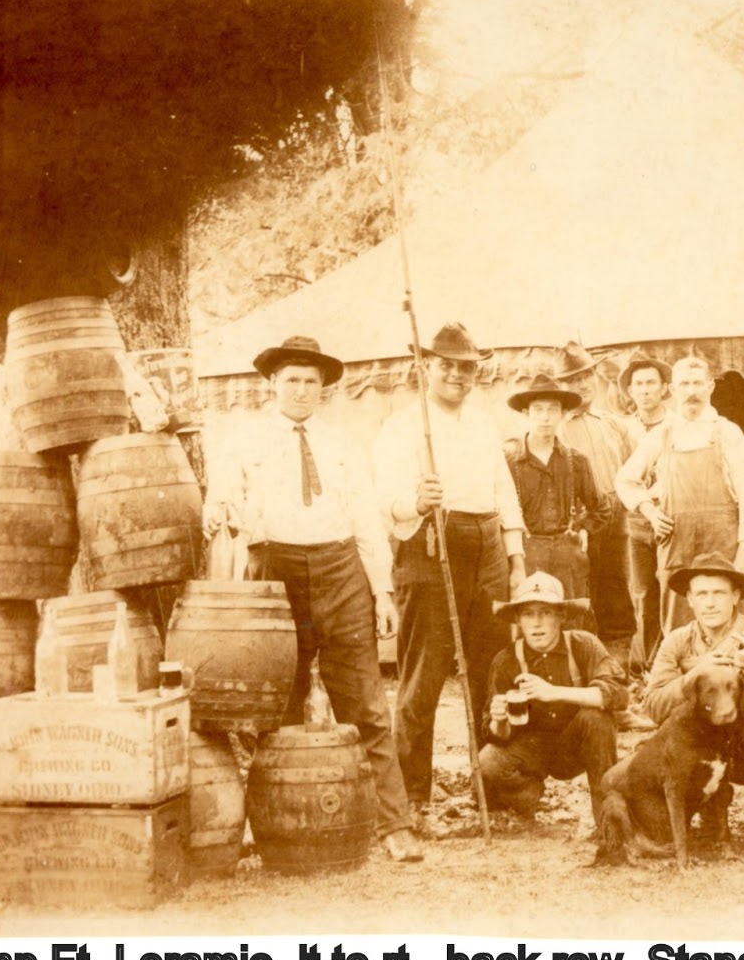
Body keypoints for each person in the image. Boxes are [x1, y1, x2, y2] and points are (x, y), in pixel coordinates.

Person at [204, 335, 421, 862]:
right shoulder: (243, 440)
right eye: (291, 380)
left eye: (311, 382)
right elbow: (220, 497)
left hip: (341, 568)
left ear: (324, 389)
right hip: (274, 572)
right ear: (271, 384)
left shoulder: (343, 443)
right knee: (280, 704)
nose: (301, 390)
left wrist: (382, 591)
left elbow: (367, 518)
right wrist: (217, 512)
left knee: (365, 703)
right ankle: (274, 824)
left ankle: (393, 825)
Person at [372, 322, 527, 804]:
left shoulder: (482, 422)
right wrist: (416, 501)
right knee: (425, 673)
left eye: (467, 369)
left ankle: (492, 782)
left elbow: (504, 490)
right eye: (447, 367)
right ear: (425, 368)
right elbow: (384, 496)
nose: (458, 377)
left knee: (491, 667)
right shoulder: (401, 425)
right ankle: (411, 798)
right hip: (431, 543)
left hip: (488, 547)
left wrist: (516, 557)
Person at [643, 552, 744, 858]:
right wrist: (696, 675)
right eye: (701, 594)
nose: (710, 603)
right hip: (698, 747)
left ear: (735, 596)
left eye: (719, 593)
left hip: (742, 747)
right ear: (689, 599)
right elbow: (654, 706)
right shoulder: (676, 641)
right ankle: (704, 820)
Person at [616, 353, 744, 633]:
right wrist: (649, 511)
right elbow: (625, 480)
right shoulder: (662, 434)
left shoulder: (728, 432)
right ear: (672, 390)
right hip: (677, 546)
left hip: (723, 546)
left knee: (728, 623)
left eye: (698, 383)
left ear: (711, 387)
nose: (692, 391)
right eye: (684, 384)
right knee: (677, 624)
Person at [477, 572, 628, 826]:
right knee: (488, 762)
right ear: (517, 620)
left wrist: (553, 691)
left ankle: (608, 823)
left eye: (545, 613)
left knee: (597, 719)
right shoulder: (506, 661)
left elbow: (618, 695)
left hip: (577, 744)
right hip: (533, 747)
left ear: (561, 616)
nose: (537, 623)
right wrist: (499, 720)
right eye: (528, 614)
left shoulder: (583, 645)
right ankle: (528, 801)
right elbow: (496, 736)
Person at [504, 372, 612, 625]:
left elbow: (602, 508)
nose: (544, 417)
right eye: (537, 409)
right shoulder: (508, 460)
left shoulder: (576, 461)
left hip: (567, 554)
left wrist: (584, 528)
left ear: (562, 414)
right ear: (526, 414)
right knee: (531, 622)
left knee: (572, 621)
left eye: (552, 409)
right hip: (526, 553)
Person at [556, 342, 637, 661]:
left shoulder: (613, 423)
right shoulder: (555, 428)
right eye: (573, 379)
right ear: (561, 385)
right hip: (576, 521)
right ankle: (585, 661)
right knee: (582, 591)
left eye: (586, 375)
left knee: (615, 588)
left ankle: (619, 665)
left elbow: (636, 468)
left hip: (616, 518)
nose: (582, 384)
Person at [619, 352, 672, 670]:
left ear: (665, 388)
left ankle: (670, 660)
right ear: (630, 391)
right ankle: (646, 665)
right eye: (638, 384)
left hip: (669, 519)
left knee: (671, 588)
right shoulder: (623, 428)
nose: (645, 389)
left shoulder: (679, 424)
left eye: (651, 382)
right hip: (636, 521)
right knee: (642, 593)